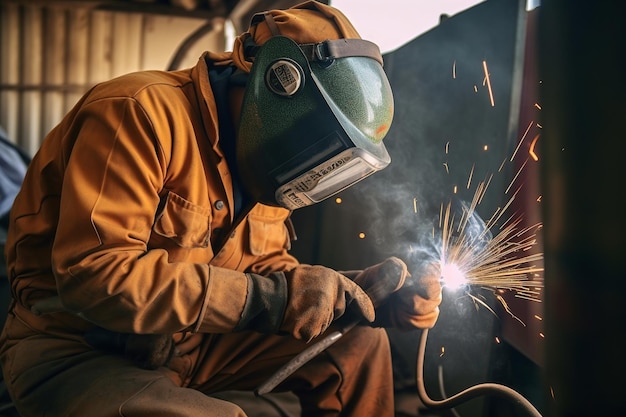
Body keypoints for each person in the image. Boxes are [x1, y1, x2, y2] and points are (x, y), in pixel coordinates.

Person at [0, 1, 442, 416]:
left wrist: (352, 299)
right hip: (79, 348)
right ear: (273, 78)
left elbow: (266, 268)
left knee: (361, 345)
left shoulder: (262, 162)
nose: (306, 157)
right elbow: (94, 278)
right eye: (309, 135)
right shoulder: (138, 113)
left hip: (197, 346)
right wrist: (272, 299)